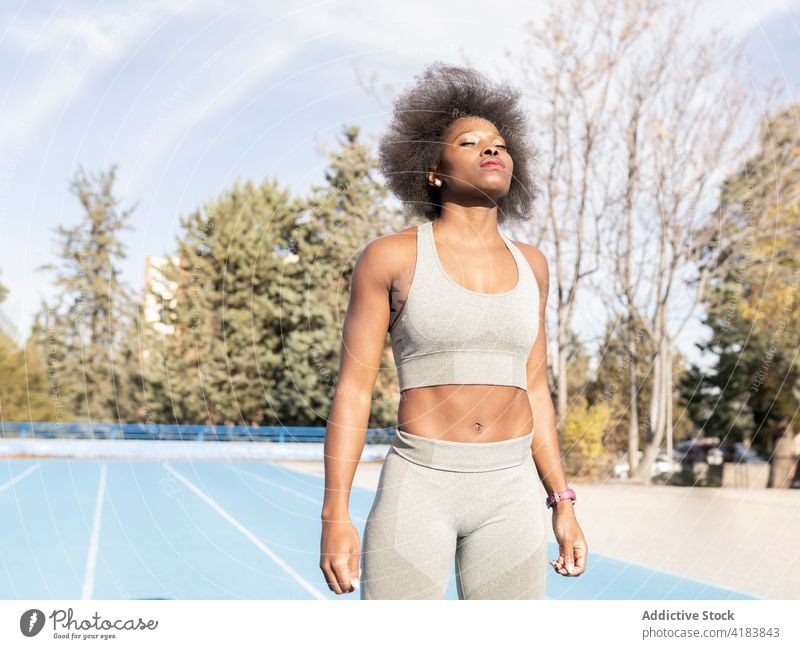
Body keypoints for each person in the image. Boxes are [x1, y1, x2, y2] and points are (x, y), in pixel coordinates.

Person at [319, 62, 588, 599]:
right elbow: (354, 388)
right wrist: (335, 514)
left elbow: (535, 389)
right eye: (469, 142)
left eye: (500, 143)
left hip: (511, 491)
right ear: (433, 171)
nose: (493, 149)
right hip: (419, 484)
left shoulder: (533, 264)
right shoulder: (390, 257)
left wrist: (562, 502)